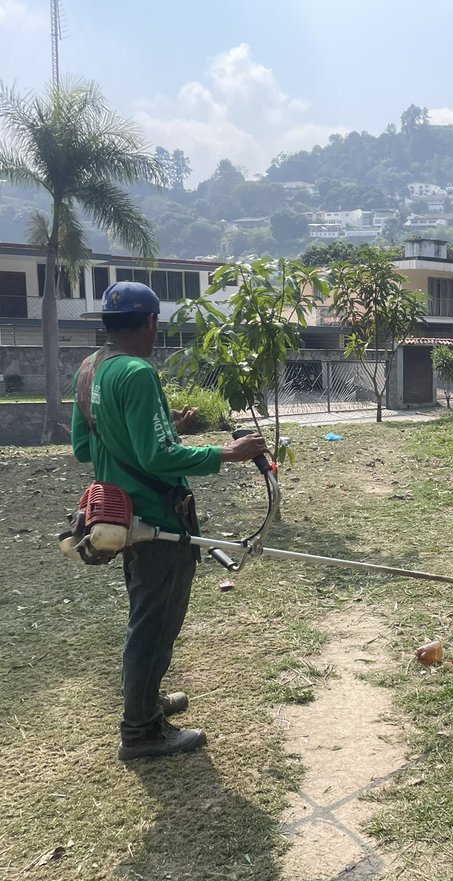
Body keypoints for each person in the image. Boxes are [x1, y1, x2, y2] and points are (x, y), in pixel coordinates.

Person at [71, 281, 268, 761]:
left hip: (119, 514)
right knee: (154, 626)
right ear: (151, 322)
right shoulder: (137, 373)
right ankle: (140, 731)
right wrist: (230, 453)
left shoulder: (90, 368)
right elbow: (158, 456)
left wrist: (162, 429)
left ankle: (146, 703)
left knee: (146, 617)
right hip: (156, 517)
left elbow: (84, 447)